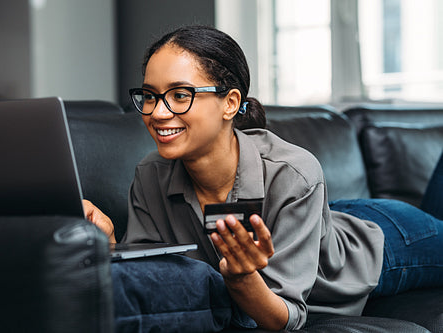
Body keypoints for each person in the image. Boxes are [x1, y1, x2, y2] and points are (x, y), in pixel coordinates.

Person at [83, 25, 443, 331]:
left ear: (230, 102)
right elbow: (153, 274)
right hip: (319, 217)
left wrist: (242, 279)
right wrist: (112, 244)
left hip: (386, 243)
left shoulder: (295, 172)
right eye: (149, 96)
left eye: (180, 95)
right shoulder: (150, 174)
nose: (158, 112)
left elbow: (286, 318)